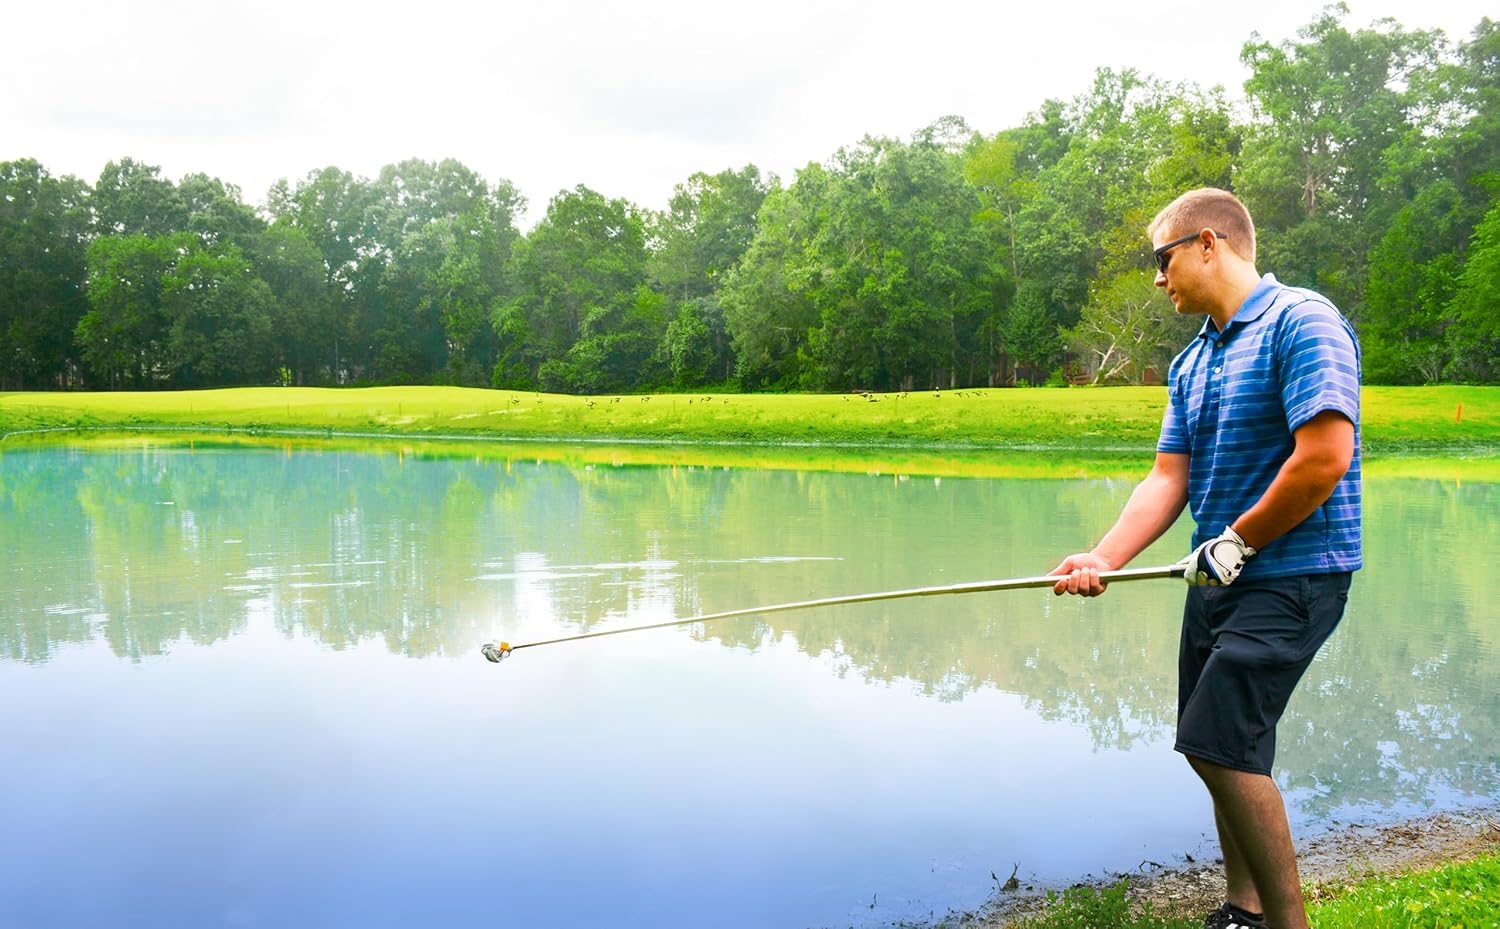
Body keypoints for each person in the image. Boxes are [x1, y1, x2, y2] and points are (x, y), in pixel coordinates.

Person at [1049, 187, 1361, 929]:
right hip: (1217, 577)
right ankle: (1242, 911)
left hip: (1293, 573)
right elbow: (1168, 478)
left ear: (1210, 244)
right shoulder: (1193, 360)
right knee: (1224, 747)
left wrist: (1240, 540)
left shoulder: (1303, 322)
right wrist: (1102, 557)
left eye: (1164, 259)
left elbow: (1324, 459)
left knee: (1217, 743)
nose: (1159, 278)